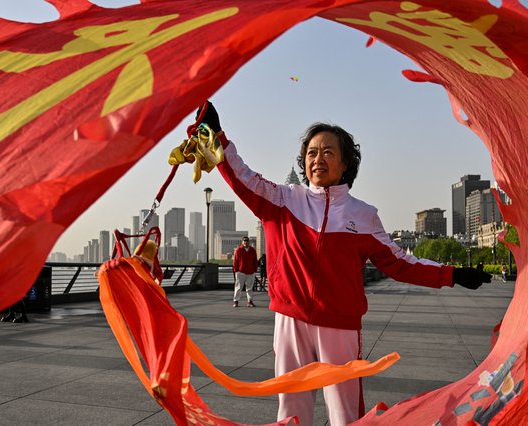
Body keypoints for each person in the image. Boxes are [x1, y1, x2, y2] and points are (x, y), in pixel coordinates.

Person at [197, 102, 491, 426]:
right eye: (311, 153)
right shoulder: (283, 199)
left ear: (346, 162)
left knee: (345, 414)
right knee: (291, 412)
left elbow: (400, 262)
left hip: (340, 325)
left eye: (328, 152)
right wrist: (216, 136)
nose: (317, 159)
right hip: (290, 320)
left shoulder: (364, 215)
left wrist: (452, 274)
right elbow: (243, 177)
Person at [233, 236, 258, 307]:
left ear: (249, 242)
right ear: (242, 242)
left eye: (247, 241)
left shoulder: (253, 250)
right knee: (238, 287)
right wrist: (236, 270)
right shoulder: (239, 250)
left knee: (249, 288)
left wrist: (255, 269)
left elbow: (255, 261)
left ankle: (250, 301)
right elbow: (235, 261)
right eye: (244, 241)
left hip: (250, 272)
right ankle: (236, 301)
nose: (245, 242)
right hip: (240, 272)